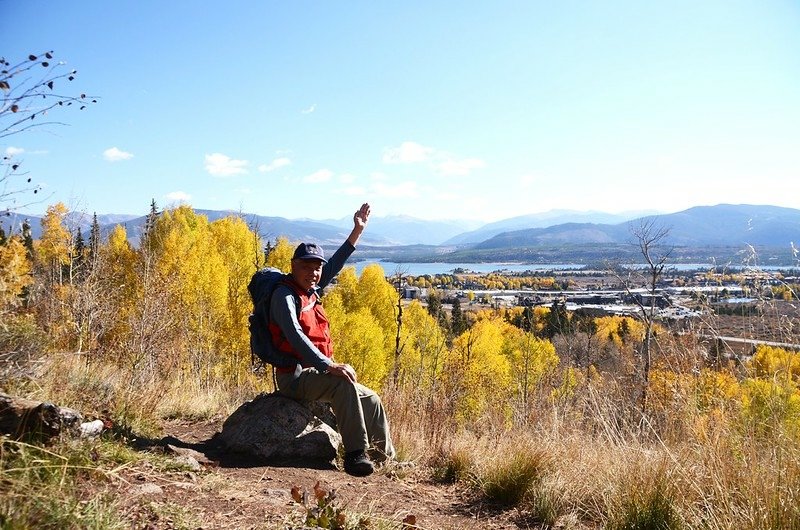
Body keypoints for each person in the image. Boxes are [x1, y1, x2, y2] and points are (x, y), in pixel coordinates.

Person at [268, 203, 394, 477]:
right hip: (295, 378)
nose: (314, 273)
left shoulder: (311, 289)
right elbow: (295, 336)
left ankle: (386, 458)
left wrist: (356, 231)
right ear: (293, 266)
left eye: (317, 268)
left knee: (371, 399)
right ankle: (355, 455)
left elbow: (335, 264)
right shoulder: (285, 296)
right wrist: (328, 366)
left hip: (315, 373)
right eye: (307, 266)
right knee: (342, 384)